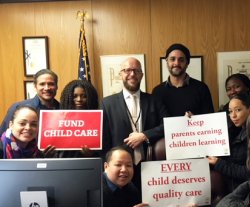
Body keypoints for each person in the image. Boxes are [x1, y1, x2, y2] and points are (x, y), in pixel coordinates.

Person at [101, 57, 169, 190]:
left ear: (141, 75)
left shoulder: (154, 100)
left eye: (136, 71)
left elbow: (168, 125)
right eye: (127, 70)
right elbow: (104, 140)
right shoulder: (107, 103)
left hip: (151, 167)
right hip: (120, 171)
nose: (132, 74)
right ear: (120, 74)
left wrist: (145, 135)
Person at [103, 145, 197, 207]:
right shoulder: (93, 188)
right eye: (118, 165)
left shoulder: (130, 187)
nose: (124, 169)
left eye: (128, 165)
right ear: (106, 167)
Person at [207, 93, 250, 193]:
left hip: (249, 191)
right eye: (230, 111)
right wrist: (193, 121)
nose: (233, 115)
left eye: (238, 110)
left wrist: (219, 163)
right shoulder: (233, 130)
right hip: (231, 188)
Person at [152, 43, 214, 116]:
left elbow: (210, 121)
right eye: (172, 59)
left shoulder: (201, 89)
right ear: (167, 62)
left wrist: (195, 120)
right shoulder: (157, 92)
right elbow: (154, 122)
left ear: (187, 63)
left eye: (181, 60)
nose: (176, 63)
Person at [0, 69, 60, 134]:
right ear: (35, 87)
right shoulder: (18, 107)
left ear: (56, 86)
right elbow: (3, 135)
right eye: (42, 84)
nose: (47, 88)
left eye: (51, 84)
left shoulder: (64, 109)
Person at [57, 79, 99, 158]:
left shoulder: (99, 121)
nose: (79, 100)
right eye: (74, 96)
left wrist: (92, 153)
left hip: (90, 165)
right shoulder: (58, 121)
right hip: (63, 165)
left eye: (84, 96)